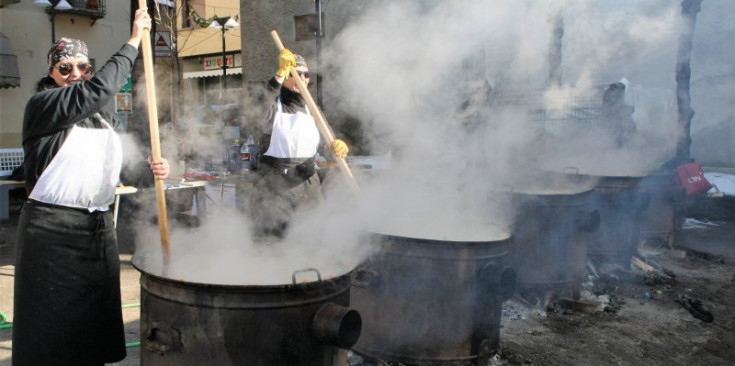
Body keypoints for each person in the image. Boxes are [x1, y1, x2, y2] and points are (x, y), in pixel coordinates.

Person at [12, 9, 169, 366]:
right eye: (65, 68)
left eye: (83, 67)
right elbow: (97, 91)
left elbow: (125, 166)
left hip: (98, 233)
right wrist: (132, 41)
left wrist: (153, 168)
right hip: (51, 235)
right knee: (51, 333)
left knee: (92, 329)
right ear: (51, 74)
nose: (75, 74)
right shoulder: (43, 105)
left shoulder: (103, 119)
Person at [246, 49, 349, 238]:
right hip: (275, 187)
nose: (302, 78)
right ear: (286, 76)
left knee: (312, 240)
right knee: (275, 245)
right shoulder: (273, 104)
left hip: (309, 186)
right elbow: (259, 114)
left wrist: (334, 147)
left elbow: (323, 142)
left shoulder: (312, 109)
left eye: (306, 74)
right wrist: (277, 77)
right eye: (296, 73)